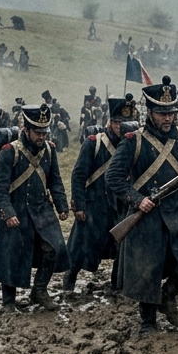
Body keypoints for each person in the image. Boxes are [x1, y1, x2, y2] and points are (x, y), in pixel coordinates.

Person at [105, 76, 178, 336]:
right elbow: (113, 177)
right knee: (147, 269)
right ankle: (148, 322)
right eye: (162, 113)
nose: (168, 118)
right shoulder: (133, 140)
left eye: (171, 113)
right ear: (149, 112)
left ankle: (168, 296)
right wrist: (137, 199)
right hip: (147, 215)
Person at [0, 104, 70, 312]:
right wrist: (7, 213)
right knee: (11, 256)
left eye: (44, 132)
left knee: (54, 248)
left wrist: (62, 205)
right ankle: (8, 302)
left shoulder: (49, 149)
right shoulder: (10, 151)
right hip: (16, 211)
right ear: (26, 130)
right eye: (37, 133)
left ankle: (39, 290)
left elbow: (55, 180)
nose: (41, 137)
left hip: (41, 210)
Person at [65, 94, 137, 295]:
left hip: (121, 205)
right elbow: (79, 175)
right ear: (111, 122)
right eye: (118, 123)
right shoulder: (94, 143)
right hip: (94, 205)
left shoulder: (133, 144)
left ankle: (116, 285)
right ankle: (69, 282)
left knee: (120, 246)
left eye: (125, 123)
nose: (121, 128)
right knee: (79, 249)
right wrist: (79, 205)